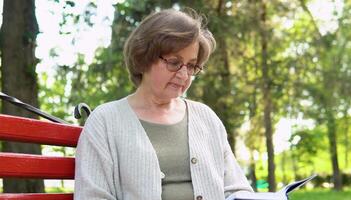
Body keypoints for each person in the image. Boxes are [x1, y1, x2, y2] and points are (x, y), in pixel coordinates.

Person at [74, 8, 253, 200]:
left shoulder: (205, 117)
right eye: (174, 62)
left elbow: (237, 190)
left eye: (191, 66)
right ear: (144, 58)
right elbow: (91, 196)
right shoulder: (105, 121)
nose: (184, 75)